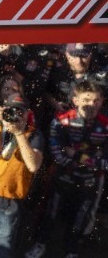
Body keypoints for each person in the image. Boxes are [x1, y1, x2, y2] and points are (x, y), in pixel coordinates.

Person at [24, 80, 108, 258]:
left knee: (81, 218)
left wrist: (76, 156)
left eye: (96, 100)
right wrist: (92, 158)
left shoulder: (106, 124)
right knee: (50, 213)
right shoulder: (61, 120)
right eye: (86, 99)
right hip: (63, 177)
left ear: (101, 101)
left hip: (89, 180)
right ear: (75, 100)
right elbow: (57, 153)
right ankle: (40, 243)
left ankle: (72, 251)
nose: (91, 104)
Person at [0, 88, 43, 258]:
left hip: (6, 205)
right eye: (11, 110)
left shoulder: (33, 135)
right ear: (3, 110)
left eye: (20, 111)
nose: (15, 115)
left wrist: (18, 133)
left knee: (2, 250)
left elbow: (33, 165)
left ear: (27, 113)